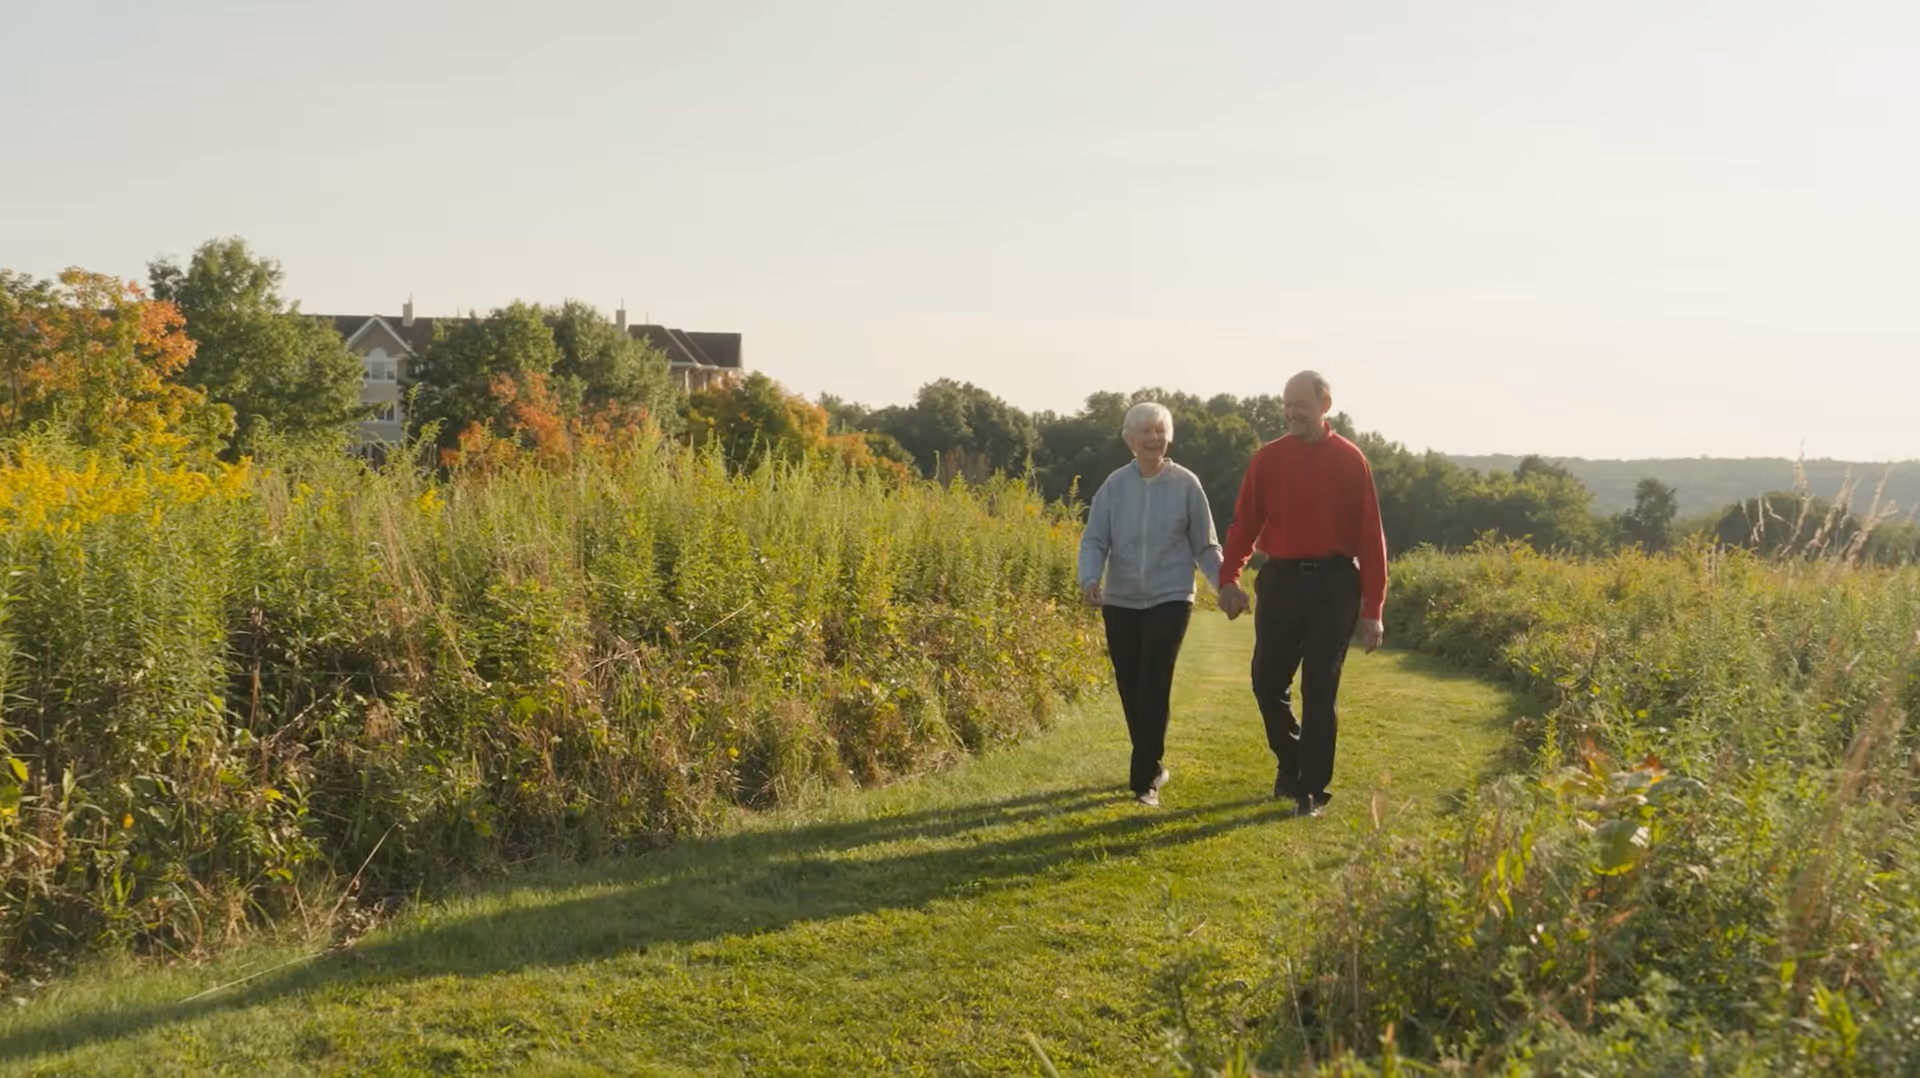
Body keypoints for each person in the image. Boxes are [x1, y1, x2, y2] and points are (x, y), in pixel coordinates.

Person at [1216, 371, 1387, 818]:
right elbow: (1244, 525)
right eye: (1287, 404)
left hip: (1334, 584)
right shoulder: (1268, 459)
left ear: (1324, 405)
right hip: (1281, 580)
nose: (1292, 412)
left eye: (1301, 404)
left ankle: (1312, 790)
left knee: (1320, 688)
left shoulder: (1351, 460)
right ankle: (1292, 764)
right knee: (1266, 682)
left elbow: (1371, 537)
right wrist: (1229, 579)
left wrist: (1374, 609)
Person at [1078, 402, 1224, 807]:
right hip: (1120, 600)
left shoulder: (1186, 484)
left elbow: (1205, 545)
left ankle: (1144, 780)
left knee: (1154, 682)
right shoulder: (1113, 487)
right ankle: (1153, 763)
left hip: (1171, 596)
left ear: (1169, 437)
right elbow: (1094, 540)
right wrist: (1090, 579)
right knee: (1130, 684)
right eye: (1145, 431)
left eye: (1160, 430)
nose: (1153, 438)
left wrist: (1223, 585)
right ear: (1129, 439)